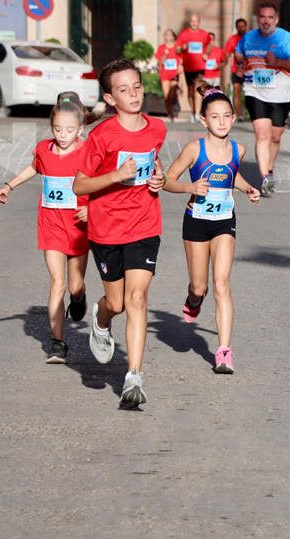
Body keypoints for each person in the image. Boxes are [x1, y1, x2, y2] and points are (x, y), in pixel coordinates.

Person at [73, 58, 168, 409]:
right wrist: (115, 176)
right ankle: (100, 321)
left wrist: (158, 178)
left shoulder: (157, 130)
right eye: (124, 90)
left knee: (137, 299)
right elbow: (79, 183)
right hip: (107, 229)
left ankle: (133, 377)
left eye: (137, 86)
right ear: (110, 98)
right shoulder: (102, 136)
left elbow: (155, 170)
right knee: (115, 303)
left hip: (145, 224)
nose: (133, 94)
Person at [164, 86, 261, 374]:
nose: (221, 122)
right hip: (195, 221)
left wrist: (247, 188)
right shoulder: (194, 149)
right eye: (215, 117)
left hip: (223, 222)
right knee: (200, 286)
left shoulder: (238, 149)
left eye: (227, 116)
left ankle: (223, 352)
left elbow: (232, 175)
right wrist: (189, 187)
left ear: (233, 118)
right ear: (204, 120)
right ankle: (193, 300)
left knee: (221, 285)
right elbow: (168, 180)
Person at [0, 92, 94, 364]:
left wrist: (94, 208)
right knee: (57, 283)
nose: (63, 134)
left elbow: (101, 183)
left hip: (78, 226)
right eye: (58, 129)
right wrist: (9, 186)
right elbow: (33, 169)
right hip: (50, 226)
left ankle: (80, 297)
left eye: (70, 130)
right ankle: (57, 343)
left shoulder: (87, 152)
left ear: (81, 129)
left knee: (74, 286)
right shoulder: (43, 149)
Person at [235, 2, 290, 196]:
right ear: (258, 18)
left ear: (276, 20)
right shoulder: (248, 38)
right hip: (255, 91)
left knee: (275, 136)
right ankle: (265, 177)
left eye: (270, 17)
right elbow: (239, 55)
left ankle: (270, 169)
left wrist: (278, 62)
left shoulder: (285, 39)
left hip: (280, 94)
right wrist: (241, 67)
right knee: (262, 135)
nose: (266, 21)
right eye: (263, 17)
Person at [177, 13, 212, 123]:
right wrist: (182, 48)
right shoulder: (183, 34)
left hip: (200, 66)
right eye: (192, 21)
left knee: (198, 89)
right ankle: (192, 112)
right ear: (189, 22)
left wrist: (206, 53)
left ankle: (197, 113)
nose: (194, 23)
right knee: (190, 91)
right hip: (188, 66)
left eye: (196, 21)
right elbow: (177, 49)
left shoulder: (204, 34)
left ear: (199, 21)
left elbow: (209, 44)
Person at [155, 29, 182, 121]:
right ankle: (170, 114)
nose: (168, 36)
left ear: (173, 36)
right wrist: (164, 55)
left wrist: (181, 66)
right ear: (164, 37)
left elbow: (181, 58)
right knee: (167, 96)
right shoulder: (161, 48)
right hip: (165, 73)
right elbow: (159, 62)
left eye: (170, 35)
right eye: (166, 35)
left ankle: (174, 107)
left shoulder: (177, 47)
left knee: (172, 94)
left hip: (174, 73)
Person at [223, 18, 248, 118]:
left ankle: (251, 113)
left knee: (251, 93)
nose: (241, 28)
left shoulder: (252, 38)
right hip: (236, 70)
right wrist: (225, 59)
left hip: (250, 70)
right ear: (236, 27)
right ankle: (239, 115)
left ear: (246, 26)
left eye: (243, 26)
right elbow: (226, 53)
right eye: (239, 26)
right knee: (237, 90)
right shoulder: (233, 39)